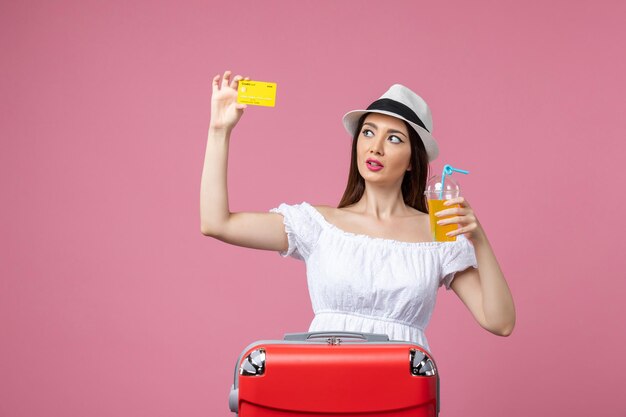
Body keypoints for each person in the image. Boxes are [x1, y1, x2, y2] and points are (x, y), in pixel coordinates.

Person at [200, 70, 515, 351]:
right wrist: (219, 131)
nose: (375, 146)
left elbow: (499, 322)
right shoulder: (318, 225)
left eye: (393, 138)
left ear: (411, 161)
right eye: (368, 132)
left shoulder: (436, 234)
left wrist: (479, 239)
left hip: (401, 396)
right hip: (325, 388)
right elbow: (217, 223)